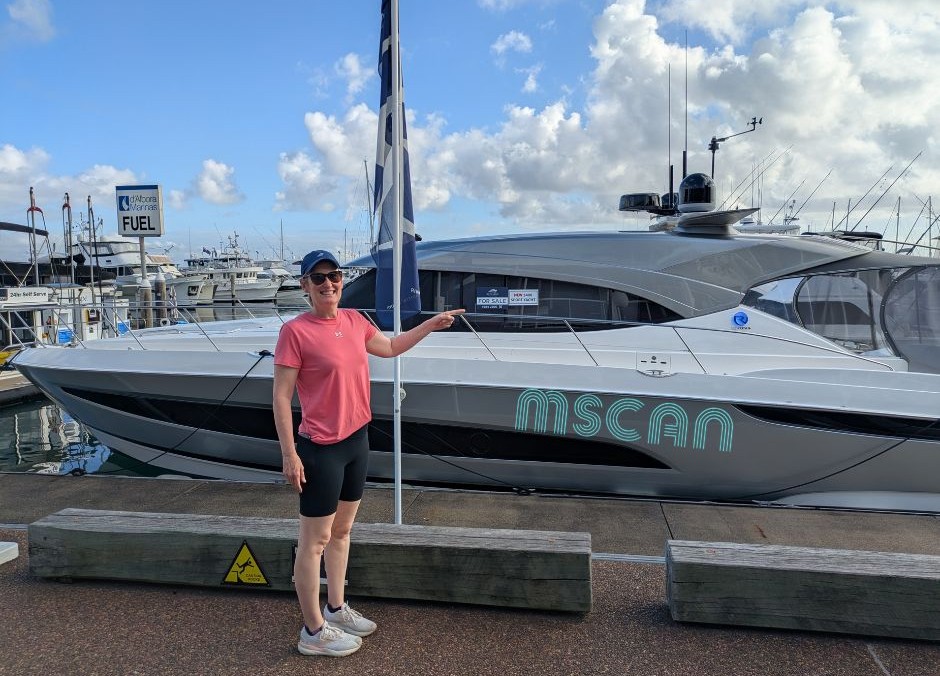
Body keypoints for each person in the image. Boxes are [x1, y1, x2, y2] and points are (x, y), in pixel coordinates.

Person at [273, 249, 464, 658]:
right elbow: (281, 397)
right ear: (305, 285)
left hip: (356, 442)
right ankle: (312, 631)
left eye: (334, 276)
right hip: (320, 449)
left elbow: (391, 347)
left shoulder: (355, 320)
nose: (328, 284)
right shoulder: (295, 332)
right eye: (318, 278)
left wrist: (430, 324)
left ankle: (336, 608)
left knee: (342, 532)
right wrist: (289, 454)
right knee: (314, 542)